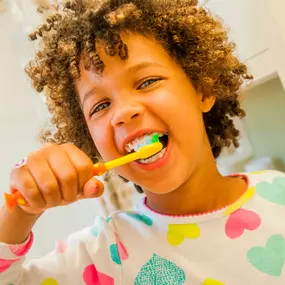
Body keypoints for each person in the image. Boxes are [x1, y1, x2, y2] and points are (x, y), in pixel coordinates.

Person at [1, 1, 285, 284]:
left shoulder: (279, 193)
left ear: (202, 88)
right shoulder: (107, 255)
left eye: (147, 82)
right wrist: (20, 212)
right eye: (100, 106)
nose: (124, 112)